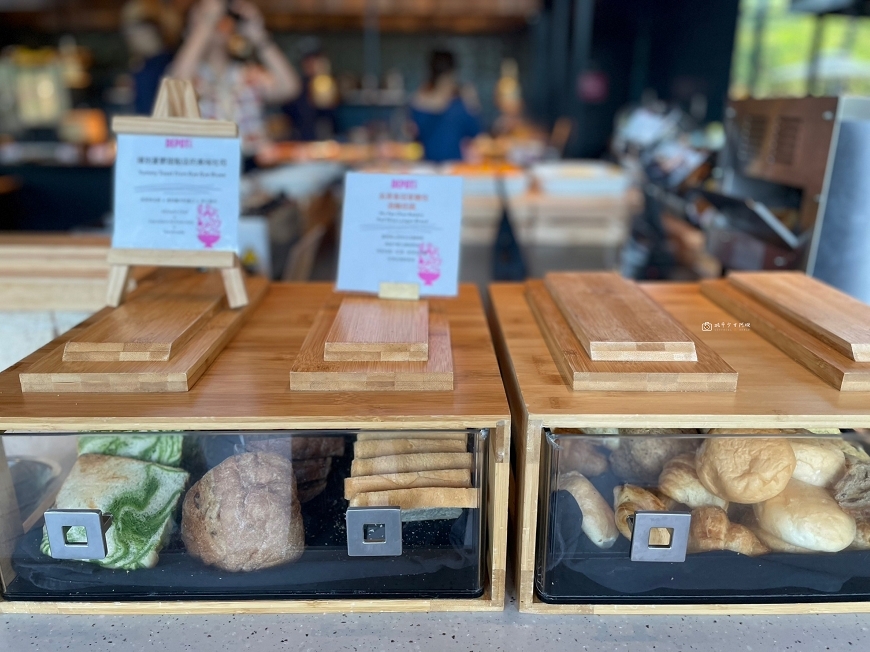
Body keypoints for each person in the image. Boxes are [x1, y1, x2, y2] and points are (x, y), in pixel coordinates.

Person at [169, 0, 300, 156]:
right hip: (209, 162)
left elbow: (289, 88)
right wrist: (204, 28)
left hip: (252, 161)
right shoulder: (190, 75)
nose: (215, 21)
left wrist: (259, 36)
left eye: (222, 17)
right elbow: (176, 87)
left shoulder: (247, 74)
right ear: (188, 31)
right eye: (204, 16)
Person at [409, 50, 481, 163]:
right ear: (453, 72)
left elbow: (414, 135)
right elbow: (475, 132)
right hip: (453, 165)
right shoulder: (460, 102)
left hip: (428, 166)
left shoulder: (419, 100)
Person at [122, 0, 181, 115]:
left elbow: (146, 112)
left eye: (132, 26)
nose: (128, 35)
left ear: (152, 29)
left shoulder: (155, 68)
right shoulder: (146, 64)